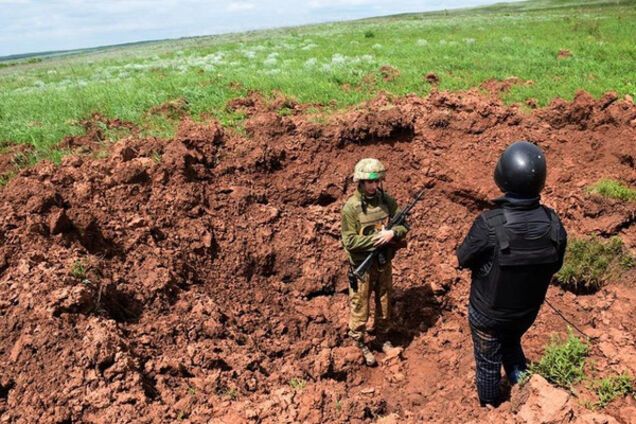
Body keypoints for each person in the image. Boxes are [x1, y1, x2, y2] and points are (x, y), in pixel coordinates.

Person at [456, 141, 568, 406]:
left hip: (488, 313)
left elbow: (463, 258)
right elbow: (556, 264)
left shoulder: (489, 224)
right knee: (511, 339)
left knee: (487, 364)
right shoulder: (553, 223)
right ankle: (526, 389)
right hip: (526, 311)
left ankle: (490, 408)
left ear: (503, 176)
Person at [340, 158, 409, 366]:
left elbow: (404, 225)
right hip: (362, 265)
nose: (373, 186)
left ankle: (382, 337)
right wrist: (375, 240)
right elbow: (349, 241)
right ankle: (358, 340)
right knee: (360, 303)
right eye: (369, 182)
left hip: (382, 261)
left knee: (384, 299)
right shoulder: (351, 208)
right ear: (359, 182)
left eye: (377, 181)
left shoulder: (386, 201)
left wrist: (392, 233)